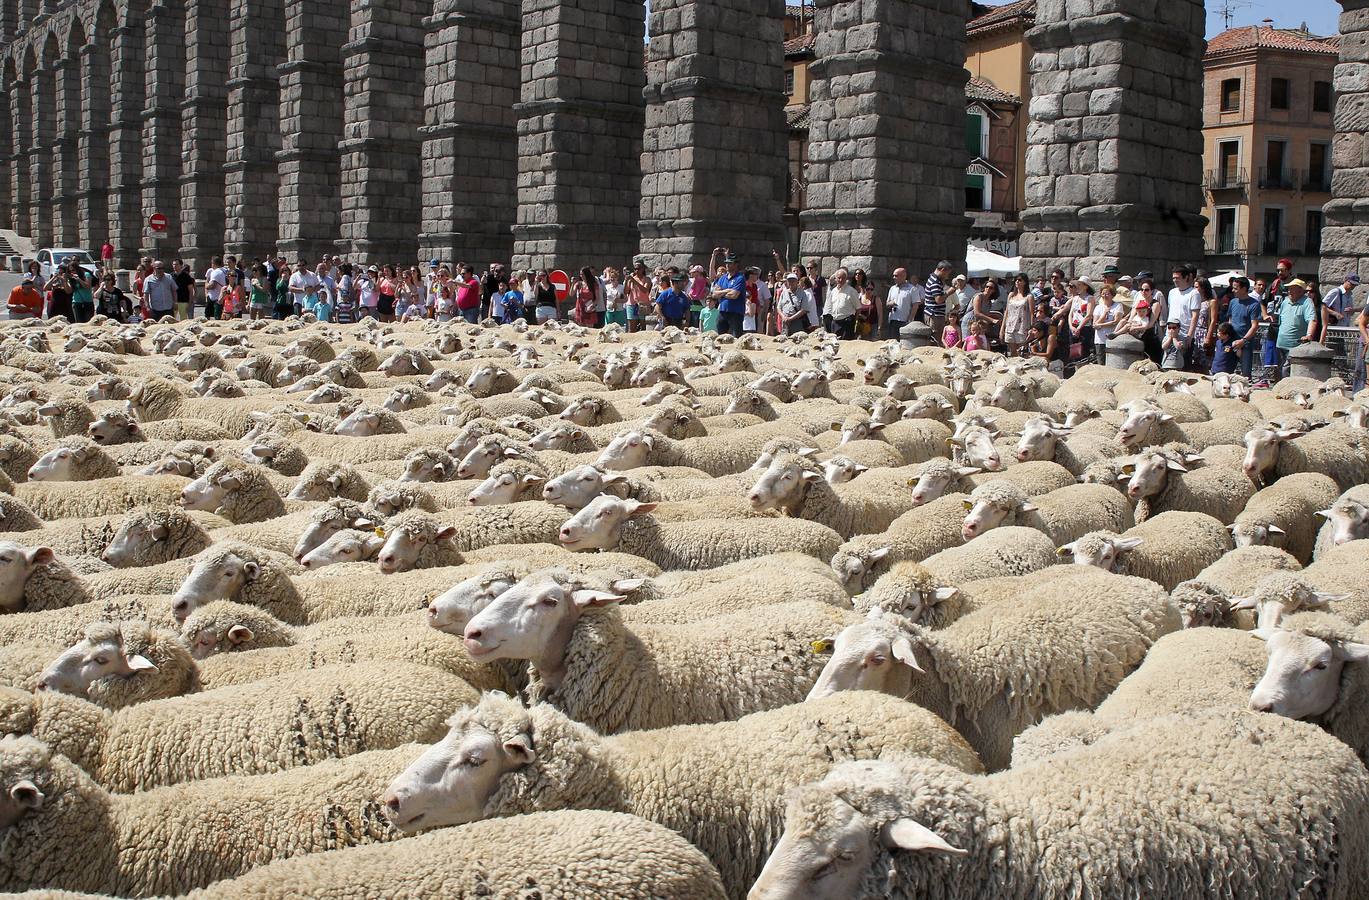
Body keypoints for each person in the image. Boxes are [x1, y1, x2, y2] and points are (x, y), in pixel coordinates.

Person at [1274, 279, 1317, 381]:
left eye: (1292, 289)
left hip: (1295, 346)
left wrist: (1309, 335)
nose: (1289, 291)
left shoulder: (1307, 302)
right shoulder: (1285, 302)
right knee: (1279, 371)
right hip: (1280, 344)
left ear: (1301, 290)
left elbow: (1312, 320)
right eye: (1289, 289)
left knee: (1286, 371)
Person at [1224, 276, 1263, 378]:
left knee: (1245, 375)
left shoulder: (1254, 304)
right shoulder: (1233, 302)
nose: (1233, 290)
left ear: (1244, 289)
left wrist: (1243, 340)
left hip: (1245, 344)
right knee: (1226, 372)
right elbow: (1230, 320)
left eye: (1236, 288)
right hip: (1231, 341)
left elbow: (1254, 326)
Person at [709, 253, 747, 337]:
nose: (727, 265)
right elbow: (714, 294)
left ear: (736, 264)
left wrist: (721, 293)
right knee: (720, 337)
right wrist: (726, 291)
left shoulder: (740, 278)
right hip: (722, 311)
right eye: (726, 263)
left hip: (736, 312)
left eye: (730, 263)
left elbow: (734, 295)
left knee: (736, 337)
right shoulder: (723, 278)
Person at [1091, 284, 1122, 365]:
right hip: (1100, 340)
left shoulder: (1118, 306)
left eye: (1107, 293)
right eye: (1103, 293)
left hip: (1112, 339)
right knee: (1101, 363)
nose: (1105, 296)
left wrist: (1100, 324)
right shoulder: (1098, 307)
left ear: (1112, 295)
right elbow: (1094, 324)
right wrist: (1104, 314)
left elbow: (1115, 322)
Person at [885, 268, 918, 340]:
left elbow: (915, 305)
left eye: (896, 276)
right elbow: (887, 303)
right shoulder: (893, 288)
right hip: (892, 320)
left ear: (903, 276)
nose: (894, 278)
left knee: (903, 343)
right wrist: (891, 303)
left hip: (905, 321)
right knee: (892, 343)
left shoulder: (912, 289)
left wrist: (910, 320)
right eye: (893, 276)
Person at [1002, 274, 1033, 354]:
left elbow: (1032, 313)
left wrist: (1032, 328)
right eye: (1016, 280)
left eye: (1020, 280)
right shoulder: (1011, 295)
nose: (1017, 282)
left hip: (1022, 327)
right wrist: (1002, 327)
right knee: (1012, 352)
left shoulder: (1029, 296)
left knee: (1021, 352)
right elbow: (1007, 312)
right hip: (1010, 326)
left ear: (1025, 282)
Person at [923, 260, 952, 342]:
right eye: (947, 273)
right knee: (936, 339)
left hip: (933, 314)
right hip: (934, 315)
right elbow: (938, 300)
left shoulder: (934, 279)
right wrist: (949, 292)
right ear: (942, 270)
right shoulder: (935, 282)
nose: (947, 276)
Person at [626, 262, 651, 334]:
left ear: (643, 269)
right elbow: (626, 292)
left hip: (643, 305)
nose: (636, 271)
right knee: (631, 329)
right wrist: (627, 281)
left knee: (643, 328)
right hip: (632, 304)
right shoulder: (631, 279)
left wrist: (634, 281)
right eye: (635, 269)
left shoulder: (647, 279)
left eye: (638, 269)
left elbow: (645, 290)